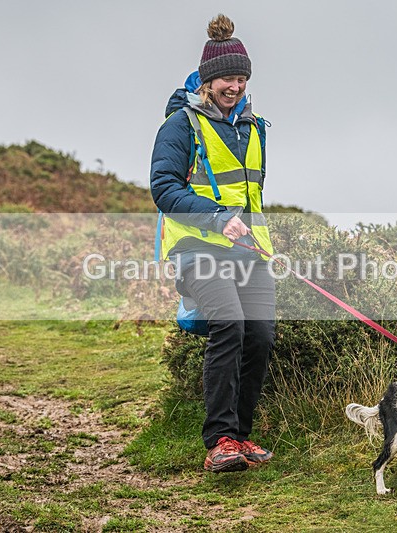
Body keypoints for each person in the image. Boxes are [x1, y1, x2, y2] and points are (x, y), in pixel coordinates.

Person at [150, 14, 276, 473]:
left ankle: (241, 437)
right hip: (197, 249)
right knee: (229, 324)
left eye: (242, 78)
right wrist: (218, 218)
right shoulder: (180, 126)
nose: (235, 86)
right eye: (227, 77)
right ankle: (219, 439)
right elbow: (163, 186)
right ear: (207, 81)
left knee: (260, 335)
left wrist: (255, 237)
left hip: (250, 252)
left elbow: (252, 196)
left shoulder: (255, 127)